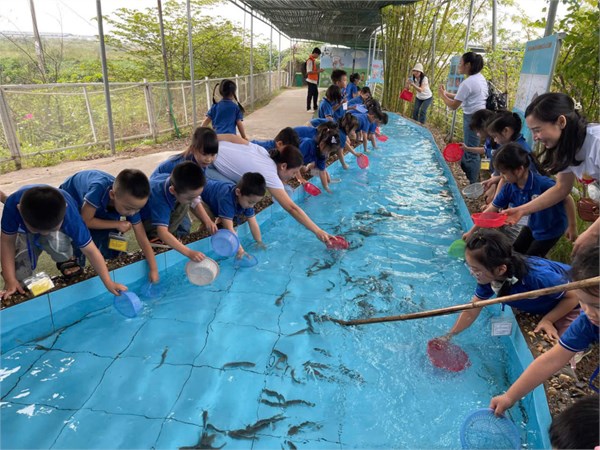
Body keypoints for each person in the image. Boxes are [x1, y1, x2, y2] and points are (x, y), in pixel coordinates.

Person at [489, 244, 599, 416]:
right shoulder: (588, 322)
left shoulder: (539, 277)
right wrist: (509, 397)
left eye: (597, 306)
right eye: (582, 301)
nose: (588, 311)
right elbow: (551, 360)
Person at [504, 93, 600, 255]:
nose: (535, 138)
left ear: (561, 122)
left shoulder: (597, 142)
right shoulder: (567, 146)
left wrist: (593, 232)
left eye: (537, 130)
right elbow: (561, 188)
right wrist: (522, 210)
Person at [444, 229, 579, 341]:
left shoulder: (537, 276)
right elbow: (472, 309)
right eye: (471, 267)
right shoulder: (489, 277)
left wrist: (548, 320)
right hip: (551, 301)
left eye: (476, 269)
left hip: (579, 302)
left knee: (565, 343)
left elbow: (574, 295)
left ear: (500, 269)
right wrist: (449, 336)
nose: (472, 273)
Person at [1, 186, 127, 299]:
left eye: (51, 229)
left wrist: (108, 282)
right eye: (36, 229)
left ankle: (65, 258)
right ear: (19, 209)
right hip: (24, 230)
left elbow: (91, 250)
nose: (44, 233)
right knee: (18, 277)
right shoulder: (12, 206)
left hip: (45, 224)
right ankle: (21, 278)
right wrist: (10, 279)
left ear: (65, 208)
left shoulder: (70, 215)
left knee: (56, 241)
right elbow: (6, 243)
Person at [205, 139, 333, 244]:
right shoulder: (269, 174)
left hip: (210, 148)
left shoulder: (264, 153)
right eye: (294, 172)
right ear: (283, 166)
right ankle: (217, 215)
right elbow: (292, 208)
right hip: (207, 167)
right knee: (231, 194)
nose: (294, 176)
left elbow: (236, 139)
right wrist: (318, 231)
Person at [463, 144, 571, 257]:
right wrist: (471, 232)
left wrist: (571, 226)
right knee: (514, 254)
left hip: (551, 228)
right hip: (532, 224)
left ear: (519, 170)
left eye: (504, 173)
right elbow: (491, 210)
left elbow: (567, 199)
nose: (501, 177)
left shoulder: (543, 184)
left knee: (531, 259)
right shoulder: (509, 188)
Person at [59, 169, 159, 283]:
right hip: (72, 201)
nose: (132, 213)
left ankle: (112, 260)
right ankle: (72, 260)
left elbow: (141, 236)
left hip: (101, 208)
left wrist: (154, 269)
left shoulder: (130, 204)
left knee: (112, 242)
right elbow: (85, 221)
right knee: (79, 236)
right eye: (129, 209)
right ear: (112, 195)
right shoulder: (98, 189)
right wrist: (117, 224)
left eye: (138, 209)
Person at [141, 162, 210, 262]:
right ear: (172, 190)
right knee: (162, 236)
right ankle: (156, 241)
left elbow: (192, 199)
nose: (195, 200)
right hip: (149, 219)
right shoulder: (159, 199)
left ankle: (176, 238)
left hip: (172, 200)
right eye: (191, 197)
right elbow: (162, 233)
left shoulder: (178, 184)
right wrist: (189, 252)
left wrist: (207, 221)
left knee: (185, 207)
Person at [438, 52, 488, 184]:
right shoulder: (479, 78)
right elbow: (461, 96)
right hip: (480, 116)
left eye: (460, 63)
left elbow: (454, 105)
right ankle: (471, 179)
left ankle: (471, 183)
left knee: (470, 151)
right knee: (470, 148)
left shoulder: (468, 82)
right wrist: (446, 93)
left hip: (473, 118)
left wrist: (442, 96)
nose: (459, 66)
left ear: (468, 65)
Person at [200, 173, 266, 258]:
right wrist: (241, 251)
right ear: (238, 192)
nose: (252, 206)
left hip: (215, 196)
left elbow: (253, 223)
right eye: (250, 202)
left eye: (254, 203)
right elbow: (229, 229)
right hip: (200, 195)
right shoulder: (226, 199)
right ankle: (202, 233)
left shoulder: (248, 200)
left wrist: (259, 242)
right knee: (211, 222)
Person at [152, 127, 218, 177]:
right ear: (193, 149)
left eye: (213, 154)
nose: (208, 159)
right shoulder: (185, 168)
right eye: (204, 154)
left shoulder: (198, 161)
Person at [297, 122, 341, 193]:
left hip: (303, 157)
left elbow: (322, 171)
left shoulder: (323, 152)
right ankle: (307, 168)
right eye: (328, 151)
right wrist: (300, 178)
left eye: (330, 152)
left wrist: (326, 188)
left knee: (307, 168)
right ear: (322, 144)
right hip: (289, 148)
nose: (328, 154)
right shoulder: (308, 144)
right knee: (299, 168)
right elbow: (295, 161)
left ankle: (308, 167)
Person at [305, 47, 324, 112]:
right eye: (318, 55)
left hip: (314, 81)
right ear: (315, 53)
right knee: (310, 94)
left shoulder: (313, 60)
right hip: (310, 80)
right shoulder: (310, 60)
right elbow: (309, 71)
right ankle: (308, 108)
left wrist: (318, 70)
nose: (318, 56)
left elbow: (313, 70)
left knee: (315, 94)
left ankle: (315, 107)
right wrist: (318, 71)